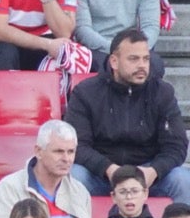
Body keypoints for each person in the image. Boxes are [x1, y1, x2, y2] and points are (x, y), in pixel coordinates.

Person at [65, 29, 189, 202]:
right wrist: (108, 169)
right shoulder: (86, 92)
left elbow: (177, 146)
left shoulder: (163, 93)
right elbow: (77, 145)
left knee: (182, 180)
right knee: (73, 176)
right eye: (133, 59)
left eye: (146, 59)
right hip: (100, 174)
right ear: (114, 61)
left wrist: (153, 171)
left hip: (147, 174)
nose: (142, 65)